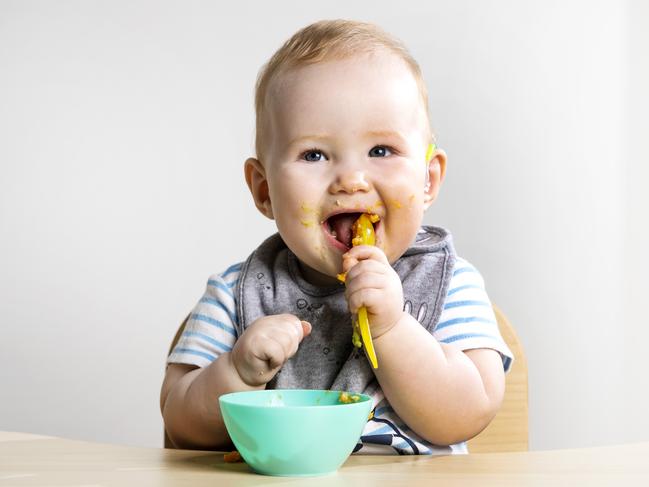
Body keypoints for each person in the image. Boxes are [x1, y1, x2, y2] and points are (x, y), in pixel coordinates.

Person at [160, 19, 513, 455]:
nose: (351, 179)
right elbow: (179, 423)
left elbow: (470, 411)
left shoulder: (448, 282)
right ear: (264, 189)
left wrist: (391, 328)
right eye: (314, 154)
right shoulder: (238, 293)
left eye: (381, 151)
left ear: (428, 179)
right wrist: (236, 371)